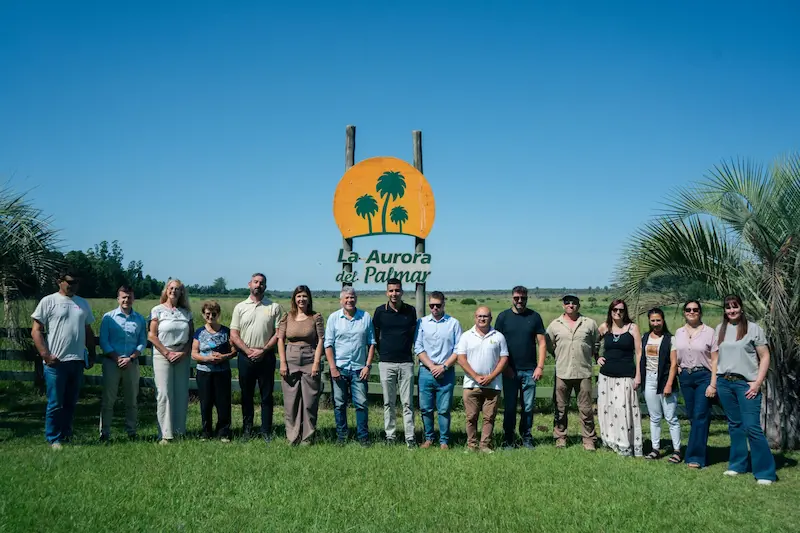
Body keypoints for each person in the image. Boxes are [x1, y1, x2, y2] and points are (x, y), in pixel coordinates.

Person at [712, 295, 776, 485]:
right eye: (728, 308)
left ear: (741, 308)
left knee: (752, 427)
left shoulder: (753, 328)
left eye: (735, 307)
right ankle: (737, 465)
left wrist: (757, 383)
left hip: (746, 384)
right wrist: (715, 381)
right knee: (735, 425)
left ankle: (765, 472)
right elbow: (716, 357)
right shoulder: (720, 329)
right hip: (725, 382)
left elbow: (765, 357)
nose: (731, 311)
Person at [31, 271, 96, 449]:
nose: (74, 285)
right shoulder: (48, 301)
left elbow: (88, 330)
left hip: (76, 360)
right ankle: (53, 437)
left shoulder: (82, 303)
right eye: (70, 282)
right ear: (59, 282)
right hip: (56, 362)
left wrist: (91, 353)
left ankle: (66, 435)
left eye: (77, 282)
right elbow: (36, 330)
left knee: (70, 402)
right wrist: (45, 354)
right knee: (55, 402)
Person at [230, 273, 284, 443]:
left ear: (265, 287)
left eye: (261, 283)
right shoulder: (240, 307)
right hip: (245, 357)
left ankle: (266, 430)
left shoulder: (274, 306)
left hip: (266, 356)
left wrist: (264, 350)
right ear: (249, 284)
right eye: (255, 282)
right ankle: (247, 429)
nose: (258, 285)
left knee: (266, 395)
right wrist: (247, 350)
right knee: (246, 395)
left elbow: (279, 333)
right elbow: (234, 333)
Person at [494, 285, 546, 449]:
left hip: (530, 370)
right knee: (509, 406)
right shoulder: (503, 317)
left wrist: (540, 367)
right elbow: (496, 344)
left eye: (523, 298)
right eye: (517, 298)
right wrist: (504, 367)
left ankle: (526, 437)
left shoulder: (535, 317)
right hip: (509, 370)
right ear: (512, 298)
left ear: (527, 298)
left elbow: (542, 343)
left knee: (528, 407)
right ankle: (508, 438)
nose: (520, 301)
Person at [546, 294, 600, 450]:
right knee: (560, 408)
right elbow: (549, 344)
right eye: (567, 303)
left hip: (583, 371)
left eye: (574, 303)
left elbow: (596, 341)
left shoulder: (589, 323)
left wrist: (592, 353)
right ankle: (560, 437)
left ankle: (588, 439)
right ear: (563, 305)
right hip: (563, 371)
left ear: (579, 305)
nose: (571, 305)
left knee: (586, 409)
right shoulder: (555, 325)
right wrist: (558, 354)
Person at [324, 286, 376, 446]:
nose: (349, 300)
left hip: (359, 368)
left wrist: (368, 365)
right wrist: (332, 367)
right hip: (339, 368)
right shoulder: (334, 318)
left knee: (361, 404)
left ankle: (363, 437)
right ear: (341, 300)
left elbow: (372, 343)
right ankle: (342, 437)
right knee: (339, 404)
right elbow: (328, 344)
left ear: (356, 299)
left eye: (352, 297)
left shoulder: (365, 317)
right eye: (346, 298)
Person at [456, 306, 509, 453]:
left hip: (493, 384)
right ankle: (471, 445)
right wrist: (475, 376)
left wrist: (491, 376)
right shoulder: (466, 336)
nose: (482, 319)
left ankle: (485, 445)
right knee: (471, 417)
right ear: (475, 317)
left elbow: (504, 359)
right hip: (471, 384)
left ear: (490, 318)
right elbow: (461, 359)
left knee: (489, 417)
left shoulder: (498, 336)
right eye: (479, 316)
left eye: (485, 316)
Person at [414, 291, 463, 449]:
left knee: (443, 409)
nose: (435, 308)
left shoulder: (453, 323)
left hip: (446, 372)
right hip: (426, 372)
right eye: (431, 305)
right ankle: (429, 439)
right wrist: (431, 366)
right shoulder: (421, 323)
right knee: (426, 408)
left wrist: (443, 367)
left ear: (444, 304)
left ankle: (444, 441)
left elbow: (458, 349)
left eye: (438, 305)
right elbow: (418, 347)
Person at [98, 285, 147, 442]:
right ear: (118, 299)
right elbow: (104, 341)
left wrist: (131, 358)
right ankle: (104, 432)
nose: (126, 300)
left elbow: (142, 342)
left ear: (134, 298)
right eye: (123, 297)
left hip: (131, 363)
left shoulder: (139, 319)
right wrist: (117, 358)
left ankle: (131, 431)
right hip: (112, 363)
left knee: (132, 399)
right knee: (108, 399)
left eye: (129, 297)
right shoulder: (108, 317)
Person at [278, 285, 325, 446]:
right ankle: (292, 436)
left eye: (304, 296)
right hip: (290, 361)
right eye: (298, 296)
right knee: (291, 402)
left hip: (310, 359)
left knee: (310, 402)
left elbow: (321, 341)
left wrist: (316, 363)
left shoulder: (315, 317)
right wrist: (283, 362)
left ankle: (307, 436)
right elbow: (280, 340)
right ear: (294, 299)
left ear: (309, 298)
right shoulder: (287, 317)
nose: (301, 299)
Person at [373, 278, 418, 447]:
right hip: (386, 363)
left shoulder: (410, 311)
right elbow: (375, 336)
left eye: (397, 290)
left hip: (406, 362)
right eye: (391, 291)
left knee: (407, 403)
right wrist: (382, 352)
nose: (394, 294)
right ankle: (390, 436)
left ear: (402, 292)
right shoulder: (380, 312)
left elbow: (414, 334)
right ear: (387, 292)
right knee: (388, 402)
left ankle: (410, 437)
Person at [148, 279, 194, 444]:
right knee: (164, 394)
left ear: (182, 292)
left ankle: (180, 431)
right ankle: (165, 434)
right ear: (166, 290)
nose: (174, 291)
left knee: (181, 394)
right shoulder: (157, 310)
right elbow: (152, 335)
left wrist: (183, 352)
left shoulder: (186, 312)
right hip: (163, 354)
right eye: (171, 288)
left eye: (178, 289)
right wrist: (167, 353)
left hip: (182, 355)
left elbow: (191, 337)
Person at [673, 300, 717, 469]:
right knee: (692, 415)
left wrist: (712, 384)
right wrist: (676, 365)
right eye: (688, 309)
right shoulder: (679, 332)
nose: (692, 312)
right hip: (685, 377)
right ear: (684, 312)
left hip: (703, 376)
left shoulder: (709, 332)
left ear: (700, 312)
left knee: (700, 414)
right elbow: (676, 353)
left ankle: (695, 457)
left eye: (695, 309)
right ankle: (699, 449)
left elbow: (715, 360)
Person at [597, 299, 643, 457]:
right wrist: (596, 357)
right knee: (607, 409)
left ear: (625, 312)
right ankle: (610, 441)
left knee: (623, 409)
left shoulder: (632, 328)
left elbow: (639, 352)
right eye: (615, 309)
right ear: (610, 311)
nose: (618, 312)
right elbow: (591, 343)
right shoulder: (604, 327)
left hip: (626, 376)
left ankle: (626, 444)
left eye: (621, 310)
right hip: (606, 376)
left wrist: (638, 375)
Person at [191, 300, 235, 442]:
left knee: (223, 402)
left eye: (214, 314)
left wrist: (223, 357)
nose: (211, 317)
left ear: (218, 314)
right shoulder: (199, 332)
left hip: (222, 371)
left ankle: (223, 431)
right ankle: (206, 432)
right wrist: (206, 358)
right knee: (205, 402)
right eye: (208, 314)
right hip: (204, 371)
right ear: (203, 315)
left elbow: (234, 351)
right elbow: (194, 353)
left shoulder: (226, 331)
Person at [640, 308, 680, 462]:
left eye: (658, 320)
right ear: (649, 321)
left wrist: (669, 384)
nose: (656, 323)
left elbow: (674, 363)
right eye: (653, 320)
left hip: (664, 379)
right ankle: (655, 449)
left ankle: (677, 450)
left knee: (671, 417)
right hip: (649, 380)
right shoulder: (645, 337)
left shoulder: (670, 339)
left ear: (663, 320)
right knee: (654, 418)